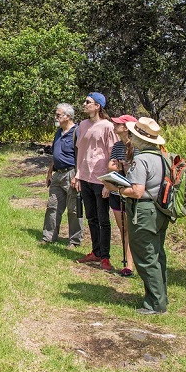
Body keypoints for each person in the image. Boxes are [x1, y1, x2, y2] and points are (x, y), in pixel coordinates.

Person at [119, 117, 171, 315]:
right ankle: (160, 296)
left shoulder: (141, 160)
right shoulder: (162, 157)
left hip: (143, 211)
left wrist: (118, 187)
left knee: (145, 256)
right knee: (158, 254)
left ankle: (155, 304)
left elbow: (137, 191)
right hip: (159, 210)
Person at [72, 92, 117, 271]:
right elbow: (80, 152)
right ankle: (96, 251)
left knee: (103, 219)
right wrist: (77, 175)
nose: (84, 104)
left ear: (97, 106)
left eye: (88, 102)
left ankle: (105, 257)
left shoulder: (108, 126)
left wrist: (108, 182)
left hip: (100, 179)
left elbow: (112, 154)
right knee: (91, 217)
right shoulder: (82, 125)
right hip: (85, 177)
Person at [43, 103, 83, 247]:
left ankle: (75, 240)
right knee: (52, 206)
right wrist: (49, 172)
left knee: (73, 209)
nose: (56, 117)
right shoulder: (58, 132)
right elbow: (55, 153)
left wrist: (77, 176)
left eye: (58, 115)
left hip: (71, 172)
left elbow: (82, 156)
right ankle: (48, 237)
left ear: (68, 116)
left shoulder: (77, 132)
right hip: (57, 175)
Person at [106, 114, 137, 277]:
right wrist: (117, 167)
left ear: (126, 128)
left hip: (131, 192)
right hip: (116, 190)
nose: (114, 125)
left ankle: (130, 265)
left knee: (130, 229)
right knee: (123, 228)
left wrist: (123, 166)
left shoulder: (137, 146)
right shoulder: (117, 146)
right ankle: (127, 263)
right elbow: (110, 166)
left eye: (117, 123)